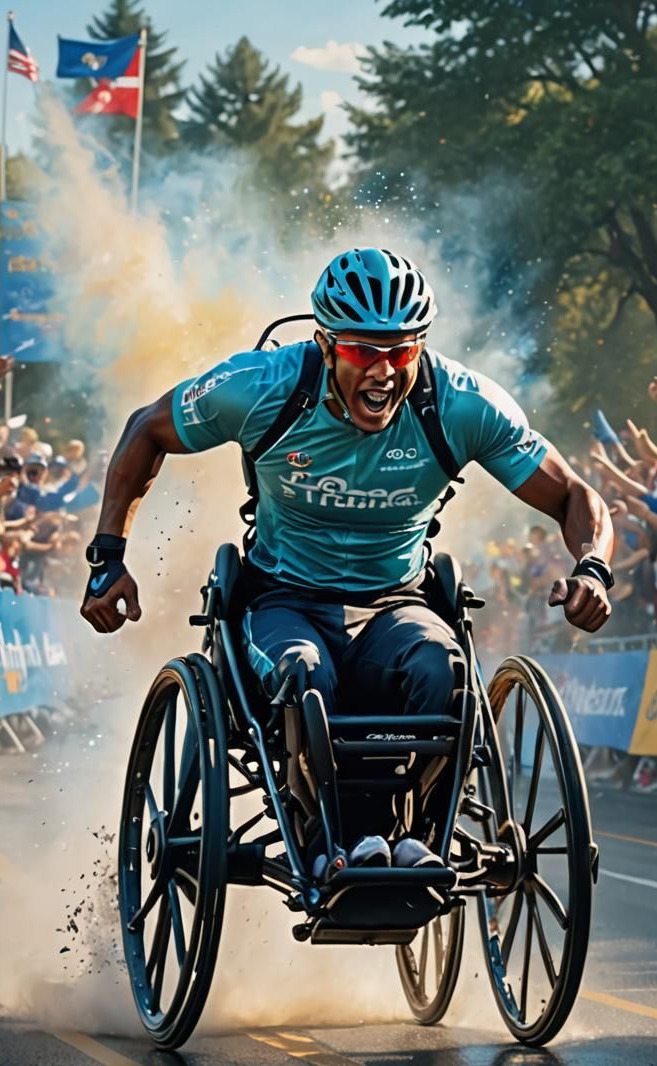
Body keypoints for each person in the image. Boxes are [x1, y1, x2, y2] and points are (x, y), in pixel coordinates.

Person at [81, 247, 614, 872]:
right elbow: (148, 429)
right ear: (326, 343)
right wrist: (107, 557)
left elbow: (574, 492)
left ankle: (416, 837)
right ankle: (328, 844)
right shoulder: (266, 387)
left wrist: (594, 568)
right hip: (283, 598)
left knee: (445, 670)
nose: (384, 371)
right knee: (303, 672)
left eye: (401, 351)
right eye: (364, 351)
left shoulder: (461, 405)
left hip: (396, 603)